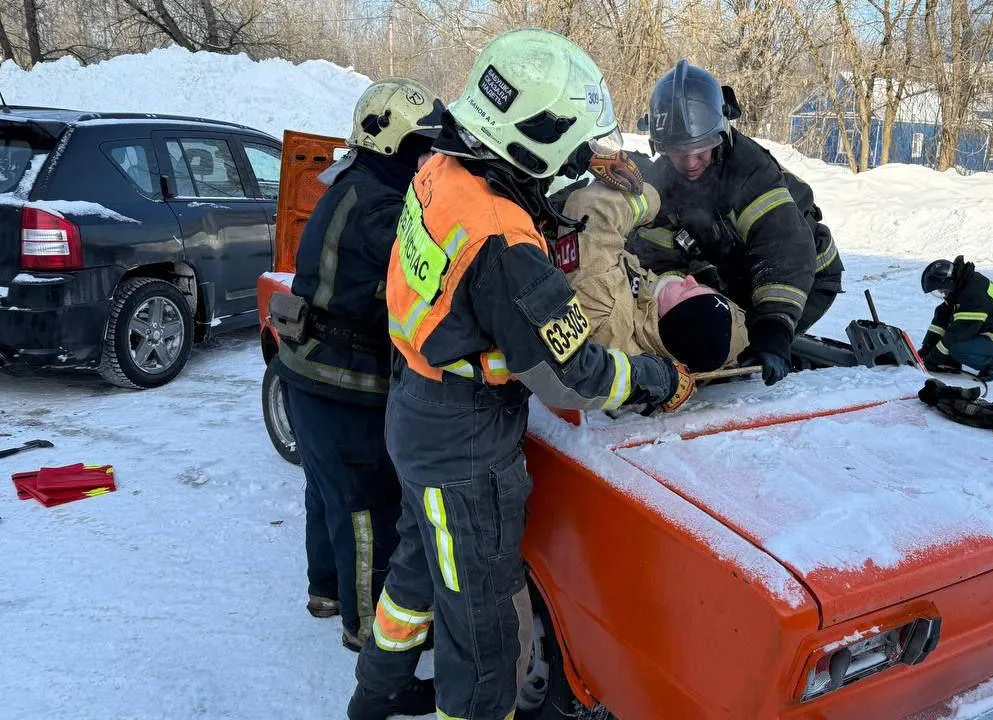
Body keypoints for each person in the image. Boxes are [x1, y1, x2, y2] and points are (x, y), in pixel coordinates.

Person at [346, 29, 694, 720]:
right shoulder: (506, 244)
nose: (578, 159)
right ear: (532, 142)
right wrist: (656, 378)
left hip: (416, 401)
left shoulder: (444, 167)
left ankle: (374, 697)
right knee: (480, 631)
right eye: (572, 146)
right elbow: (577, 377)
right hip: (465, 443)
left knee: (417, 567)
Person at [271, 77, 445, 653]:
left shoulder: (350, 182)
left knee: (326, 493)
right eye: (425, 147)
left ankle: (326, 591)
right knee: (367, 508)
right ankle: (370, 630)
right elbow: (428, 284)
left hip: (307, 374)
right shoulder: (385, 207)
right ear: (394, 144)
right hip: (344, 383)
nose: (432, 159)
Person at [629, 59, 844, 387]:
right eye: (677, 151)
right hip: (738, 277)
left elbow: (782, 246)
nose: (689, 163)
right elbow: (662, 258)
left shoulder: (749, 171)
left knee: (741, 349)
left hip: (807, 274)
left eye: (700, 149)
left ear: (719, 134)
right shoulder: (664, 182)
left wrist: (774, 325)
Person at [553, 177, 749, 372]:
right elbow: (731, 330)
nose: (689, 279)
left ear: (669, 319)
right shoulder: (660, 338)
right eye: (703, 287)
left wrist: (653, 198)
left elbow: (592, 206)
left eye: (686, 292)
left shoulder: (608, 310)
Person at [918, 256, 993, 381]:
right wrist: (928, 347)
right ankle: (950, 359)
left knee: (957, 348)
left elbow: (961, 332)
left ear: (948, 282)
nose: (942, 295)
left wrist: (935, 358)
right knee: (944, 314)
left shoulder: (974, 292)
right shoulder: (962, 285)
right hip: (982, 327)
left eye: (940, 291)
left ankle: (992, 364)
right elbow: (942, 317)